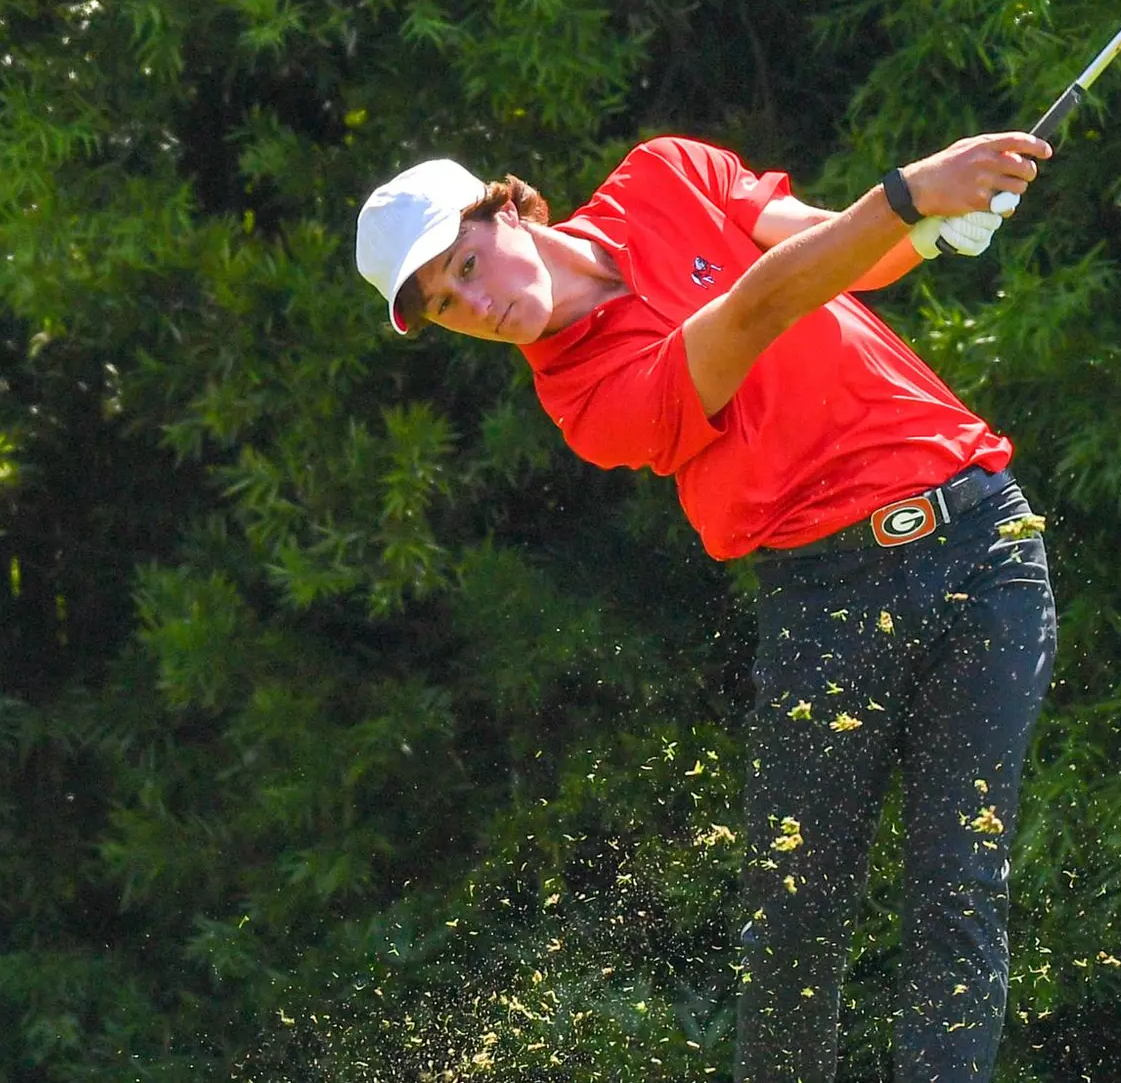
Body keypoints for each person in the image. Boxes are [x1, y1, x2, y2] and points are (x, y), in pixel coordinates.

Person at [356, 129, 1059, 1083]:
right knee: (793, 927)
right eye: (448, 306)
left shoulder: (665, 172)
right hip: (827, 598)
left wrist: (929, 229)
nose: (481, 309)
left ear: (509, 207)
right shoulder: (588, 400)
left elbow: (827, 244)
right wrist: (911, 195)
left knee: (959, 885)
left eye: (469, 266)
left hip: (983, 540)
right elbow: (763, 303)